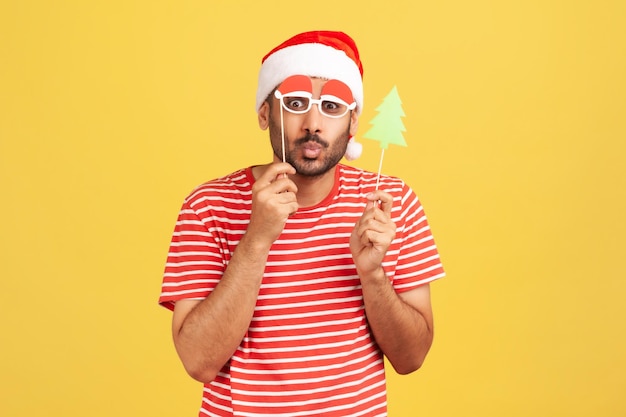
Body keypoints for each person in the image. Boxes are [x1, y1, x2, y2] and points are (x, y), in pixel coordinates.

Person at [159, 30, 445, 417]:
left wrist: (373, 275)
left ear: (353, 121)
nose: (313, 124)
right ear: (265, 113)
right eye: (295, 103)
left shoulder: (389, 204)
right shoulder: (208, 206)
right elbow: (198, 362)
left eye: (331, 107)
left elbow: (411, 358)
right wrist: (257, 239)